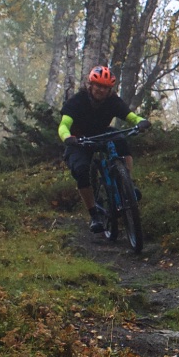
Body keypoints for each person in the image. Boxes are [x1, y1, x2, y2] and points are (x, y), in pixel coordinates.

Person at [58, 66, 146, 232]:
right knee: (81, 170)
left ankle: (126, 184)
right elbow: (64, 125)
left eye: (105, 87)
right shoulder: (77, 101)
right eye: (98, 85)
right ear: (90, 84)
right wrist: (68, 138)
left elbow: (131, 117)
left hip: (102, 134)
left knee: (122, 142)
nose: (101, 90)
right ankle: (94, 215)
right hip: (79, 139)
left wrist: (141, 122)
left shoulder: (113, 101)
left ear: (110, 89)